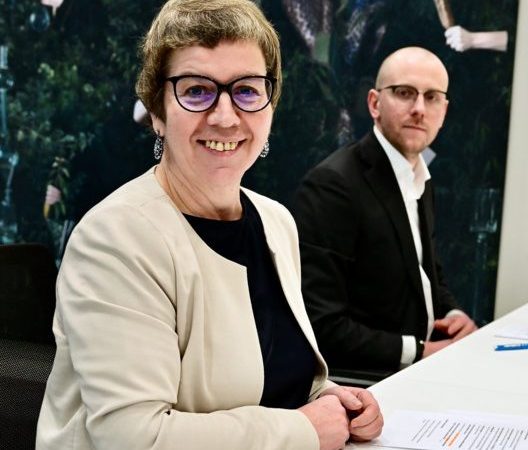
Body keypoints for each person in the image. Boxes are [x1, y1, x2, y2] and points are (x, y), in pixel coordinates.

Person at [36, 1, 383, 449]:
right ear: (157, 112)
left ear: (270, 106)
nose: (225, 116)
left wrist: (330, 399)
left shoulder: (275, 222)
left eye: (247, 91)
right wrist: (304, 429)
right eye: (197, 90)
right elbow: (134, 438)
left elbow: (264, 378)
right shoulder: (113, 240)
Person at [293, 47, 477, 374]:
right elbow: (320, 323)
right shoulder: (333, 185)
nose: (419, 109)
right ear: (374, 103)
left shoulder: (419, 178)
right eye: (405, 93)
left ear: (444, 111)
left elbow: (426, 273)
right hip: (364, 382)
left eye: (432, 97)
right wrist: (419, 351)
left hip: (419, 370)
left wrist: (453, 315)